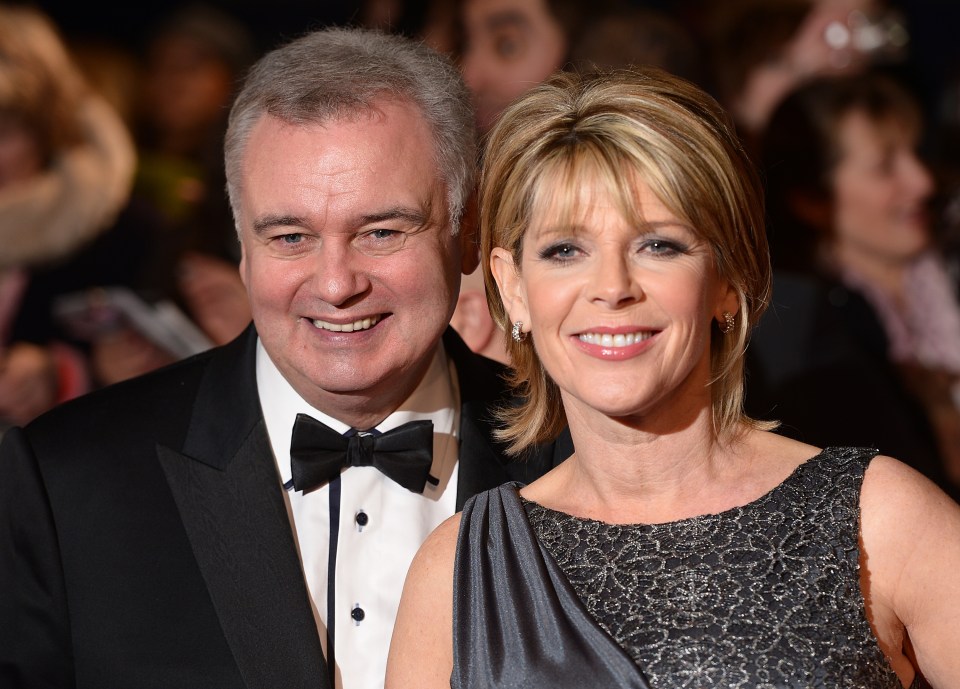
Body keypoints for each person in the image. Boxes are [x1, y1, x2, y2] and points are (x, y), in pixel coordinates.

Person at [0, 27, 569, 688]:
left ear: (467, 235)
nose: (335, 283)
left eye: (381, 231)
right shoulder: (67, 483)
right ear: (243, 248)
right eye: (291, 236)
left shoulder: (577, 456)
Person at [386, 68, 960, 688]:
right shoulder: (461, 571)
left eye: (658, 245)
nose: (612, 288)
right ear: (512, 287)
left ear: (727, 280)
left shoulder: (878, 518)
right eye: (564, 251)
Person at [748, 71, 960, 501]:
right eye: (885, 167)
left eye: (915, 154)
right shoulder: (812, 329)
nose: (922, 182)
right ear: (811, 198)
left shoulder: (950, 267)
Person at [0, 4, 166, 429]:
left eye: (3, 132)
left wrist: (67, 374)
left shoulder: (122, 231)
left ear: (48, 127)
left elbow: (166, 391)